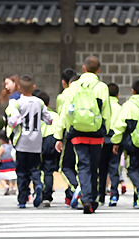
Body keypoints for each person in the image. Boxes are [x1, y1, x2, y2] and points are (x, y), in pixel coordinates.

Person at [55, 55, 112, 214]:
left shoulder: (73, 86)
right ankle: (93, 199)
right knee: (95, 167)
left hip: (77, 133)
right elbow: (106, 112)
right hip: (96, 133)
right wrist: (105, 130)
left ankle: (86, 198)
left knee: (83, 166)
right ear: (98, 70)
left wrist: (62, 135)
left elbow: (65, 112)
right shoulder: (102, 87)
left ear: (83, 68)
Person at [6, 75, 53, 209]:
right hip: (36, 142)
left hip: (22, 141)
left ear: (19, 88)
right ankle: (38, 184)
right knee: (34, 168)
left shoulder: (16, 102)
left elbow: (14, 121)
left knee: (21, 171)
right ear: (33, 87)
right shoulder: (39, 102)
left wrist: (11, 122)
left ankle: (22, 199)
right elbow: (49, 119)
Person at [111, 79, 139, 208]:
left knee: (132, 169)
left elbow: (120, 126)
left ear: (133, 91)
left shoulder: (128, 106)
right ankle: (137, 199)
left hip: (132, 143)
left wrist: (116, 141)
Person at [56, 70, 80, 207]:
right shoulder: (89, 94)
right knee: (82, 165)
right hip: (92, 133)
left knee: (65, 166)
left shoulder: (64, 96)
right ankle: (77, 194)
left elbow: (62, 117)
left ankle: (76, 188)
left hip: (71, 133)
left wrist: (59, 137)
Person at [97, 82, 123, 206]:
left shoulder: (103, 107)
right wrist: (117, 141)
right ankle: (114, 195)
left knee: (101, 169)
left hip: (103, 140)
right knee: (114, 169)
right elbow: (120, 126)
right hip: (115, 141)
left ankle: (100, 196)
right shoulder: (120, 108)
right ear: (118, 95)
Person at [34, 90, 60, 206]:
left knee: (36, 169)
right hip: (51, 141)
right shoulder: (55, 115)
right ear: (48, 104)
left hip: (37, 142)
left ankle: (38, 187)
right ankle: (47, 196)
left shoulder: (34, 116)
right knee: (49, 171)